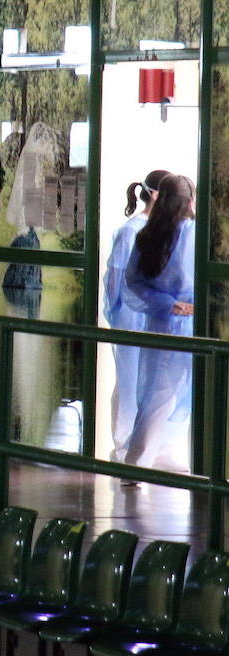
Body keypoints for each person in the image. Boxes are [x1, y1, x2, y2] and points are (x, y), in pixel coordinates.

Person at [122, 174, 197, 475]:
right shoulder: (194, 234)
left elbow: (133, 283)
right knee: (163, 394)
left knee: (156, 395)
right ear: (189, 201)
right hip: (187, 324)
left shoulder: (148, 236)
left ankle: (137, 464)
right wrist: (175, 305)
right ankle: (136, 464)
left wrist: (166, 304)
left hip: (162, 322)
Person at [104, 169, 170, 462]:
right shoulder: (131, 231)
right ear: (155, 195)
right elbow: (115, 278)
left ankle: (144, 450)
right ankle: (123, 450)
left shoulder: (160, 231)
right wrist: (120, 310)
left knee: (148, 381)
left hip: (151, 317)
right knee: (129, 382)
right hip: (132, 317)